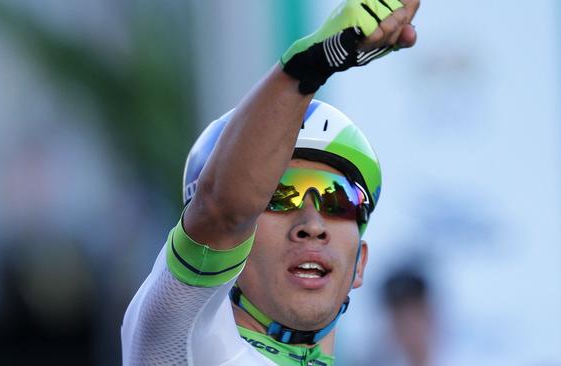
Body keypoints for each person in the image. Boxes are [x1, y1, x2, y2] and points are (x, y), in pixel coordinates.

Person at [121, 0, 420, 364]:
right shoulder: (185, 336)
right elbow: (222, 210)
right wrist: (309, 66)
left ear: (360, 264)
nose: (312, 226)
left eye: (338, 200)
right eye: (279, 195)